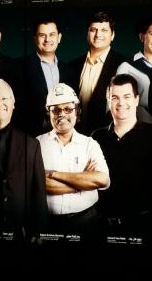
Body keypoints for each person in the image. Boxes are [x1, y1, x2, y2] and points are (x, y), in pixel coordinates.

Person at [0, 79, 48, 242]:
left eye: (5, 99)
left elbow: (38, 193)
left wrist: (38, 232)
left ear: (13, 103)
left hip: (20, 234)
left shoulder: (32, 144)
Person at [91, 74, 152, 242]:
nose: (121, 103)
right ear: (108, 100)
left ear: (137, 99)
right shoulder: (96, 137)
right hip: (103, 227)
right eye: (114, 97)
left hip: (145, 228)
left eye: (127, 97)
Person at [37, 83, 109, 241]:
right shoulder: (36, 144)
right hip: (48, 224)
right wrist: (84, 182)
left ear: (77, 111)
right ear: (48, 113)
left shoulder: (90, 144)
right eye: (55, 109)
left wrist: (54, 174)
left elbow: (102, 180)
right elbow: (38, 184)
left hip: (87, 222)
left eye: (68, 109)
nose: (61, 114)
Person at [70, 11, 125, 134]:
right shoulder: (73, 65)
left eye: (104, 30)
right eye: (93, 30)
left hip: (107, 136)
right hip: (75, 135)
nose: (97, 34)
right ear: (87, 33)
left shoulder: (123, 65)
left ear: (113, 35)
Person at [20, 18, 76, 137]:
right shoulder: (20, 67)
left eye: (52, 34)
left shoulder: (69, 70)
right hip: (32, 135)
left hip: (64, 134)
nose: (47, 40)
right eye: (42, 35)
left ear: (59, 37)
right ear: (35, 39)